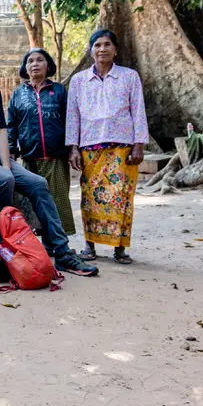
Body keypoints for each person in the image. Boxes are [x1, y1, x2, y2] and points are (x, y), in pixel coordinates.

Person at [0, 35, 98, 277]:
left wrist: (6, 163)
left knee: (38, 183)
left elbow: (1, 131)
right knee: (5, 180)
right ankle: (3, 238)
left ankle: (62, 253)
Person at [66, 29, 148, 265]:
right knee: (90, 198)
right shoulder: (79, 80)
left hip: (122, 147)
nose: (102, 49)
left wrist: (139, 144)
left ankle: (120, 248)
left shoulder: (129, 76)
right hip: (89, 148)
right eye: (97, 45)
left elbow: (138, 110)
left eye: (107, 44)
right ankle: (89, 246)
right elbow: (73, 116)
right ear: (91, 51)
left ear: (115, 50)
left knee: (121, 198)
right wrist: (73, 147)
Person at [7, 48, 76, 236]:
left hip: (56, 157)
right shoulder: (18, 94)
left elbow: (71, 121)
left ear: (48, 66)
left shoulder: (59, 91)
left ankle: (61, 244)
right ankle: (43, 246)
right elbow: (11, 125)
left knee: (59, 200)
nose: (35, 64)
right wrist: (11, 151)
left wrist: (73, 148)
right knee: (32, 203)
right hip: (30, 159)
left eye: (40, 60)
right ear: (25, 67)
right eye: (30, 61)